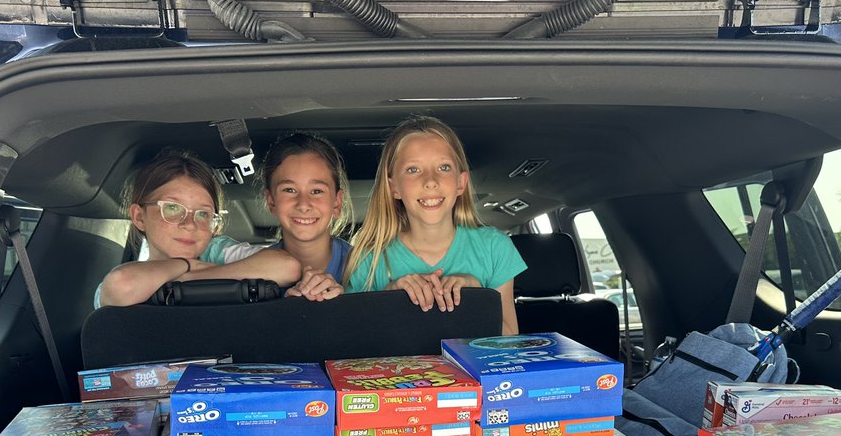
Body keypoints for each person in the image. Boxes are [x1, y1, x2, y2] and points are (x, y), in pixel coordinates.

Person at [344, 116, 526, 335]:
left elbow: (509, 338)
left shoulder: (495, 248)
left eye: (443, 167)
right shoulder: (370, 259)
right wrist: (388, 297)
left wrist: (477, 295)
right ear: (394, 188)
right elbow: (353, 342)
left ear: (461, 183)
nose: (430, 180)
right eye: (413, 170)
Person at [96, 150, 301, 308]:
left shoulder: (217, 251)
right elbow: (122, 284)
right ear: (139, 217)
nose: (189, 224)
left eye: (203, 214)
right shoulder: (131, 274)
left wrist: (188, 277)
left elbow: (287, 266)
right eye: (172, 208)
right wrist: (186, 265)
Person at [260, 132, 353, 301]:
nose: (303, 204)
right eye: (289, 190)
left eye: (317, 191)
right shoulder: (252, 270)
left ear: (337, 203)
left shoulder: (367, 268)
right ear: (271, 201)